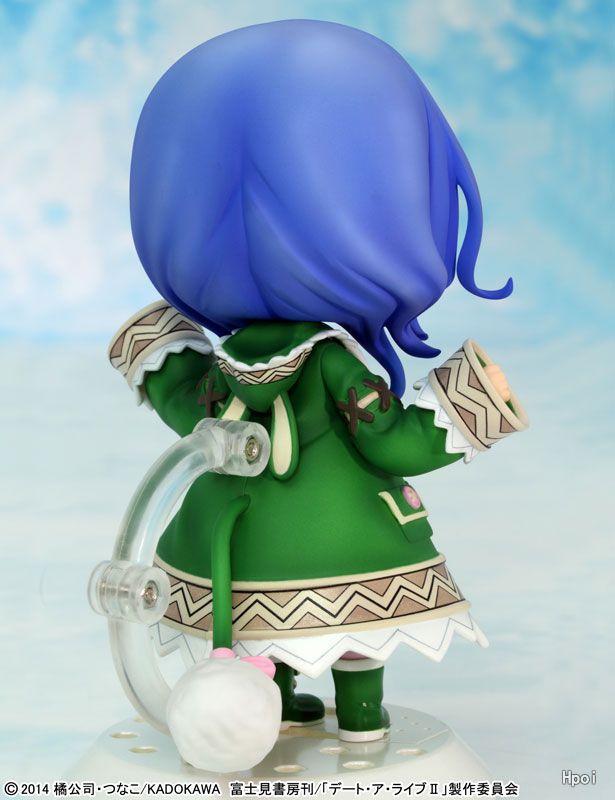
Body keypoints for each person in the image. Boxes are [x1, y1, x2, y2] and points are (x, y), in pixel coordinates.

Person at [109, 20, 527, 744]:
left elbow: (186, 406)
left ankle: (274, 700)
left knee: (256, 628)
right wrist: (471, 401)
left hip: (234, 539)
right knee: (358, 638)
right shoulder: (334, 361)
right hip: (343, 543)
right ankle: (360, 716)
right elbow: (391, 443)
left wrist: (161, 350)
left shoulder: (227, 363)